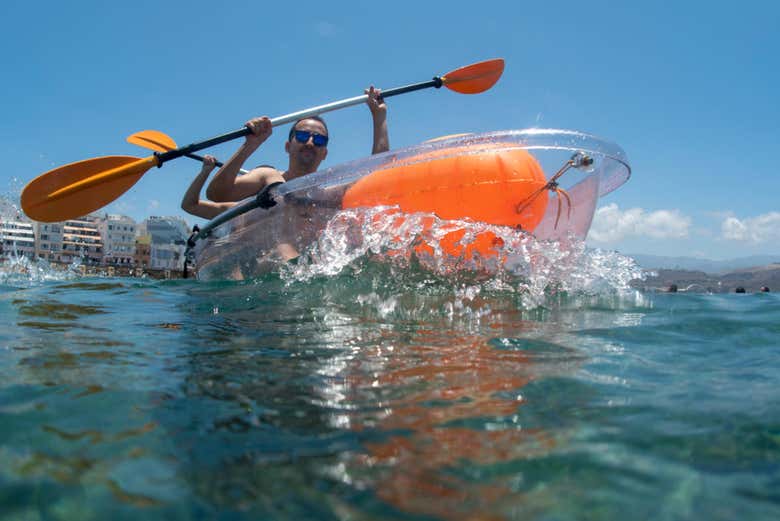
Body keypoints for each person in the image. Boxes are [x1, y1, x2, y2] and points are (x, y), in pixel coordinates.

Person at [206, 86, 389, 203]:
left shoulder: (327, 195)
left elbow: (376, 180)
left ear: (324, 153)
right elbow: (217, 194)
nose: (310, 143)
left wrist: (379, 117)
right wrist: (250, 145)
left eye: (319, 140)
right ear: (288, 146)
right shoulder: (267, 178)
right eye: (302, 136)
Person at [181, 155, 237, 219]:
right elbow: (189, 205)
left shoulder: (242, 208)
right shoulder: (239, 208)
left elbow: (189, 206)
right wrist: (206, 170)